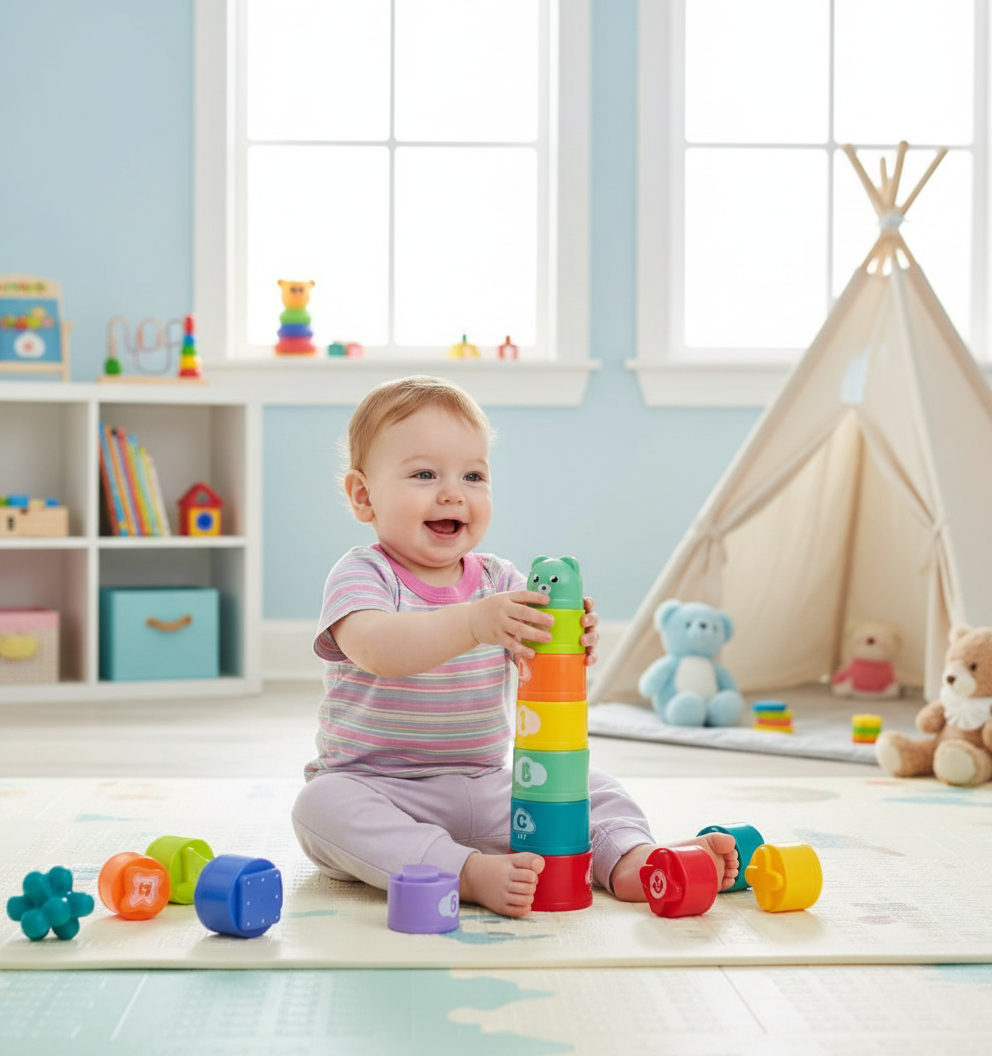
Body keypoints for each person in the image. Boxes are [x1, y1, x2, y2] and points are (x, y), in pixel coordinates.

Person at [291, 375, 738, 916]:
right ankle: (464, 872)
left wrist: (569, 638)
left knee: (592, 787)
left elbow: (542, 653)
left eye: (473, 475)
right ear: (364, 496)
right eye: (424, 473)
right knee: (319, 808)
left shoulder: (501, 581)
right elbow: (377, 648)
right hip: (382, 787)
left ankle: (632, 860)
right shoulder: (362, 574)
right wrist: (476, 624)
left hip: (492, 786)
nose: (453, 491)